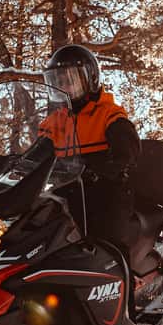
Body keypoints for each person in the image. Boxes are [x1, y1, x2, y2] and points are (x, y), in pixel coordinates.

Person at [39, 44, 140, 252]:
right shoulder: (56, 121)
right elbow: (39, 152)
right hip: (66, 194)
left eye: (70, 80)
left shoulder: (107, 113)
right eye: (59, 81)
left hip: (104, 192)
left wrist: (115, 161)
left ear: (90, 78)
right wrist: (11, 161)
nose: (64, 87)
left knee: (106, 241)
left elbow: (126, 146)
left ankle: (121, 279)